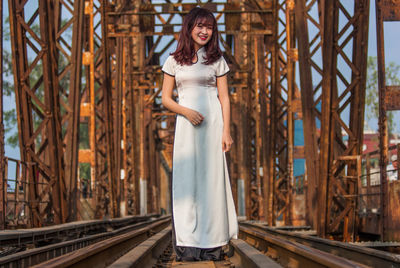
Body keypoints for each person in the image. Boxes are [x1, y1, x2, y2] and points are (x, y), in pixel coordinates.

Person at [161, 7, 238, 262]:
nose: (205, 32)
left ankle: (213, 243)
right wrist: (186, 112)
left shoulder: (216, 60)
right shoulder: (173, 61)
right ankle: (188, 244)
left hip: (213, 127)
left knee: (211, 182)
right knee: (186, 181)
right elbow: (165, 99)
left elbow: (224, 98)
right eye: (200, 26)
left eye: (210, 27)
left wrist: (226, 131)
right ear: (190, 28)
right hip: (186, 127)